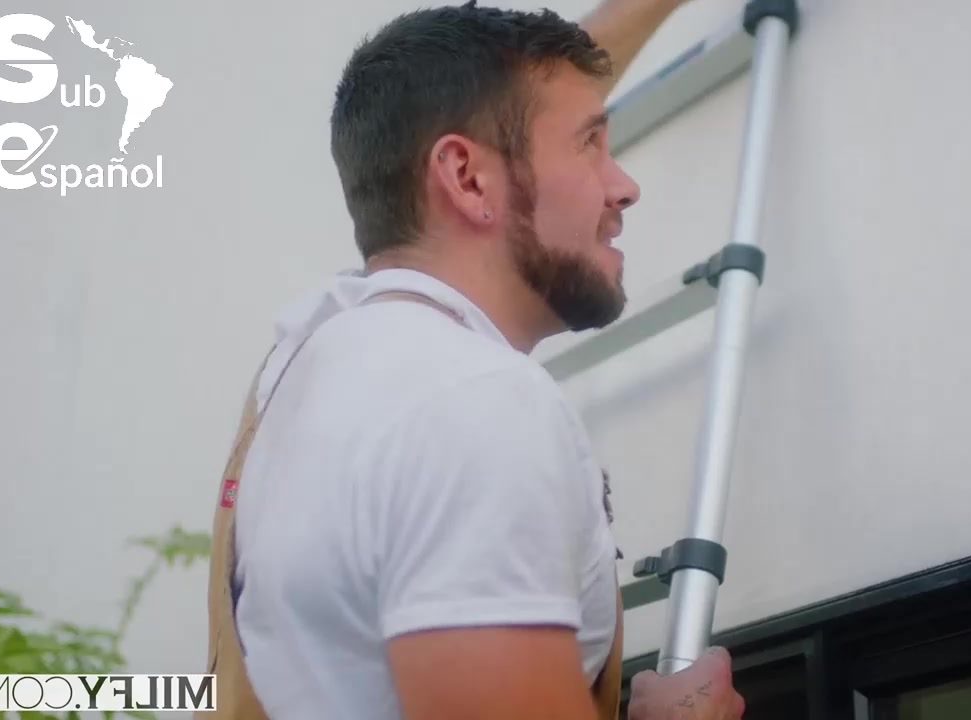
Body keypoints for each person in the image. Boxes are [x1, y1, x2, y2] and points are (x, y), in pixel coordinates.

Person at [221, 0, 746, 719]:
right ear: (466, 178)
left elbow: (495, 115)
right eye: (591, 145)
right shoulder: (474, 402)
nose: (625, 186)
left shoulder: (304, 377)